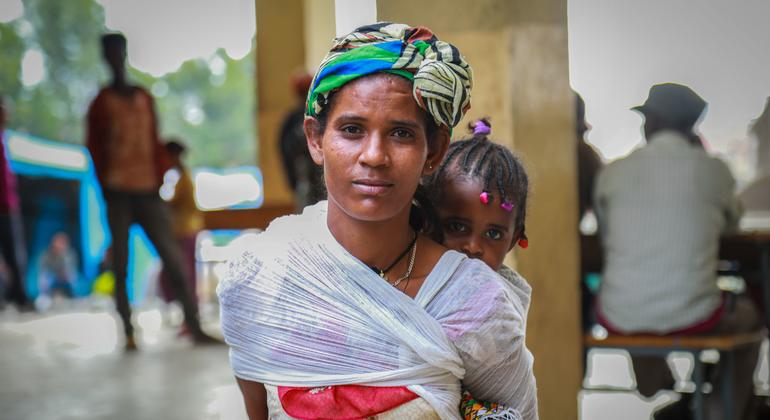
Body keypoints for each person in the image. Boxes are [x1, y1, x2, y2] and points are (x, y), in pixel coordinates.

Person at [219, 23, 537, 419]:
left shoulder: (470, 302)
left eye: (401, 133)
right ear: (316, 140)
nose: (374, 155)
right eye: (352, 129)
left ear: (434, 150)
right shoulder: (261, 275)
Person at [593, 83, 760, 420]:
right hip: (694, 315)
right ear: (691, 127)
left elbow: (606, 232)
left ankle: (653, 381)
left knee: (642, 303)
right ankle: (717, 410)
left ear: (650, 123)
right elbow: (731, 227)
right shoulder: (714, 171)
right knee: (751, 319)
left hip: (619, 313)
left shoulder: (614, 172)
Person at [86, 33, 216, 349]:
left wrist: (157, 179)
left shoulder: (143, 98)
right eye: (111, 53)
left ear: (125, 54)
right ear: (106, 57)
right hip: (118, 191)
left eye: (120, 52)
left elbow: (153, 140)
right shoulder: (101, 104)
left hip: (147, 190)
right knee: (121, 263)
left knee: (174, 259)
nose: (116, 58)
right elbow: (95, 148)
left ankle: (194, 325)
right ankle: (128, 330)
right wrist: (106, 186)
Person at [422, 118, 537, 416]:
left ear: (514, 240)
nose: (473, 246)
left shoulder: (491, 303)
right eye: (457, 226)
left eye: (494, 234)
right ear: (426, 220)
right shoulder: (411, 273)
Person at [158, 139, 202, 313]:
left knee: (185, 274)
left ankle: (191, 314)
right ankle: (189, 315)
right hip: (184, 230)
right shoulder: (182, 177)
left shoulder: (184, 178)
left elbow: (174, 203)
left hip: (186, 231)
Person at [278, 72, 325, 210]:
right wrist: (293, 180)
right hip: (305, 180)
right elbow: (285, 151)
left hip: (322, 178)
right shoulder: (292, 120)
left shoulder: (322, 114)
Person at [0, 95, 30, 311]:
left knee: (14, 255)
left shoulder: (4, 140)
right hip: (4, 208)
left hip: (8, 206)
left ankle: (19, 297)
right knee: (11, 254)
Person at [36, 232, 77, 310]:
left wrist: (62, 257)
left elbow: (70, 270)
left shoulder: (69, 254)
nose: (60, 245)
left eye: (63, 243)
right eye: (58, 242)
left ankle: (71, 296)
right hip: (52, 280)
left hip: (64, 280)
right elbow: (43, 271)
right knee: (45, 277)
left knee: (72, 276)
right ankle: (45, 298)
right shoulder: (46, 254)